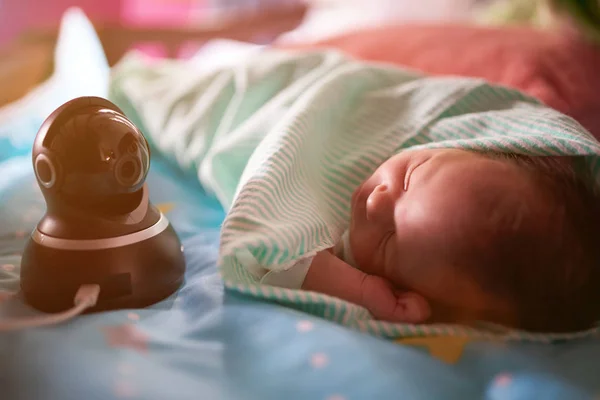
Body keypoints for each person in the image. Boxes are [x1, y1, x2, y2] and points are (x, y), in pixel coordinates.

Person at [263, 148, 600, 333]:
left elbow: (278, 259)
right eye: (412, 173)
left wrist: (362, 289)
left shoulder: (364, 275)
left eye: (388, 242)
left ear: (408, 294)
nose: (375, 201)